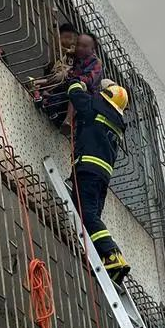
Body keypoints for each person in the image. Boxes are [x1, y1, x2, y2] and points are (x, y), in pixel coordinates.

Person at [66, 78, 130, 284]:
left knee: (87, 215)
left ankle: (112, 254)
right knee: (93, 218)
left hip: (88, 171)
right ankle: (108, 259)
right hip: (102, 178)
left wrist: (78, 83)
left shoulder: (96, 108)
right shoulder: (116, 122)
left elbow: (75, 94)